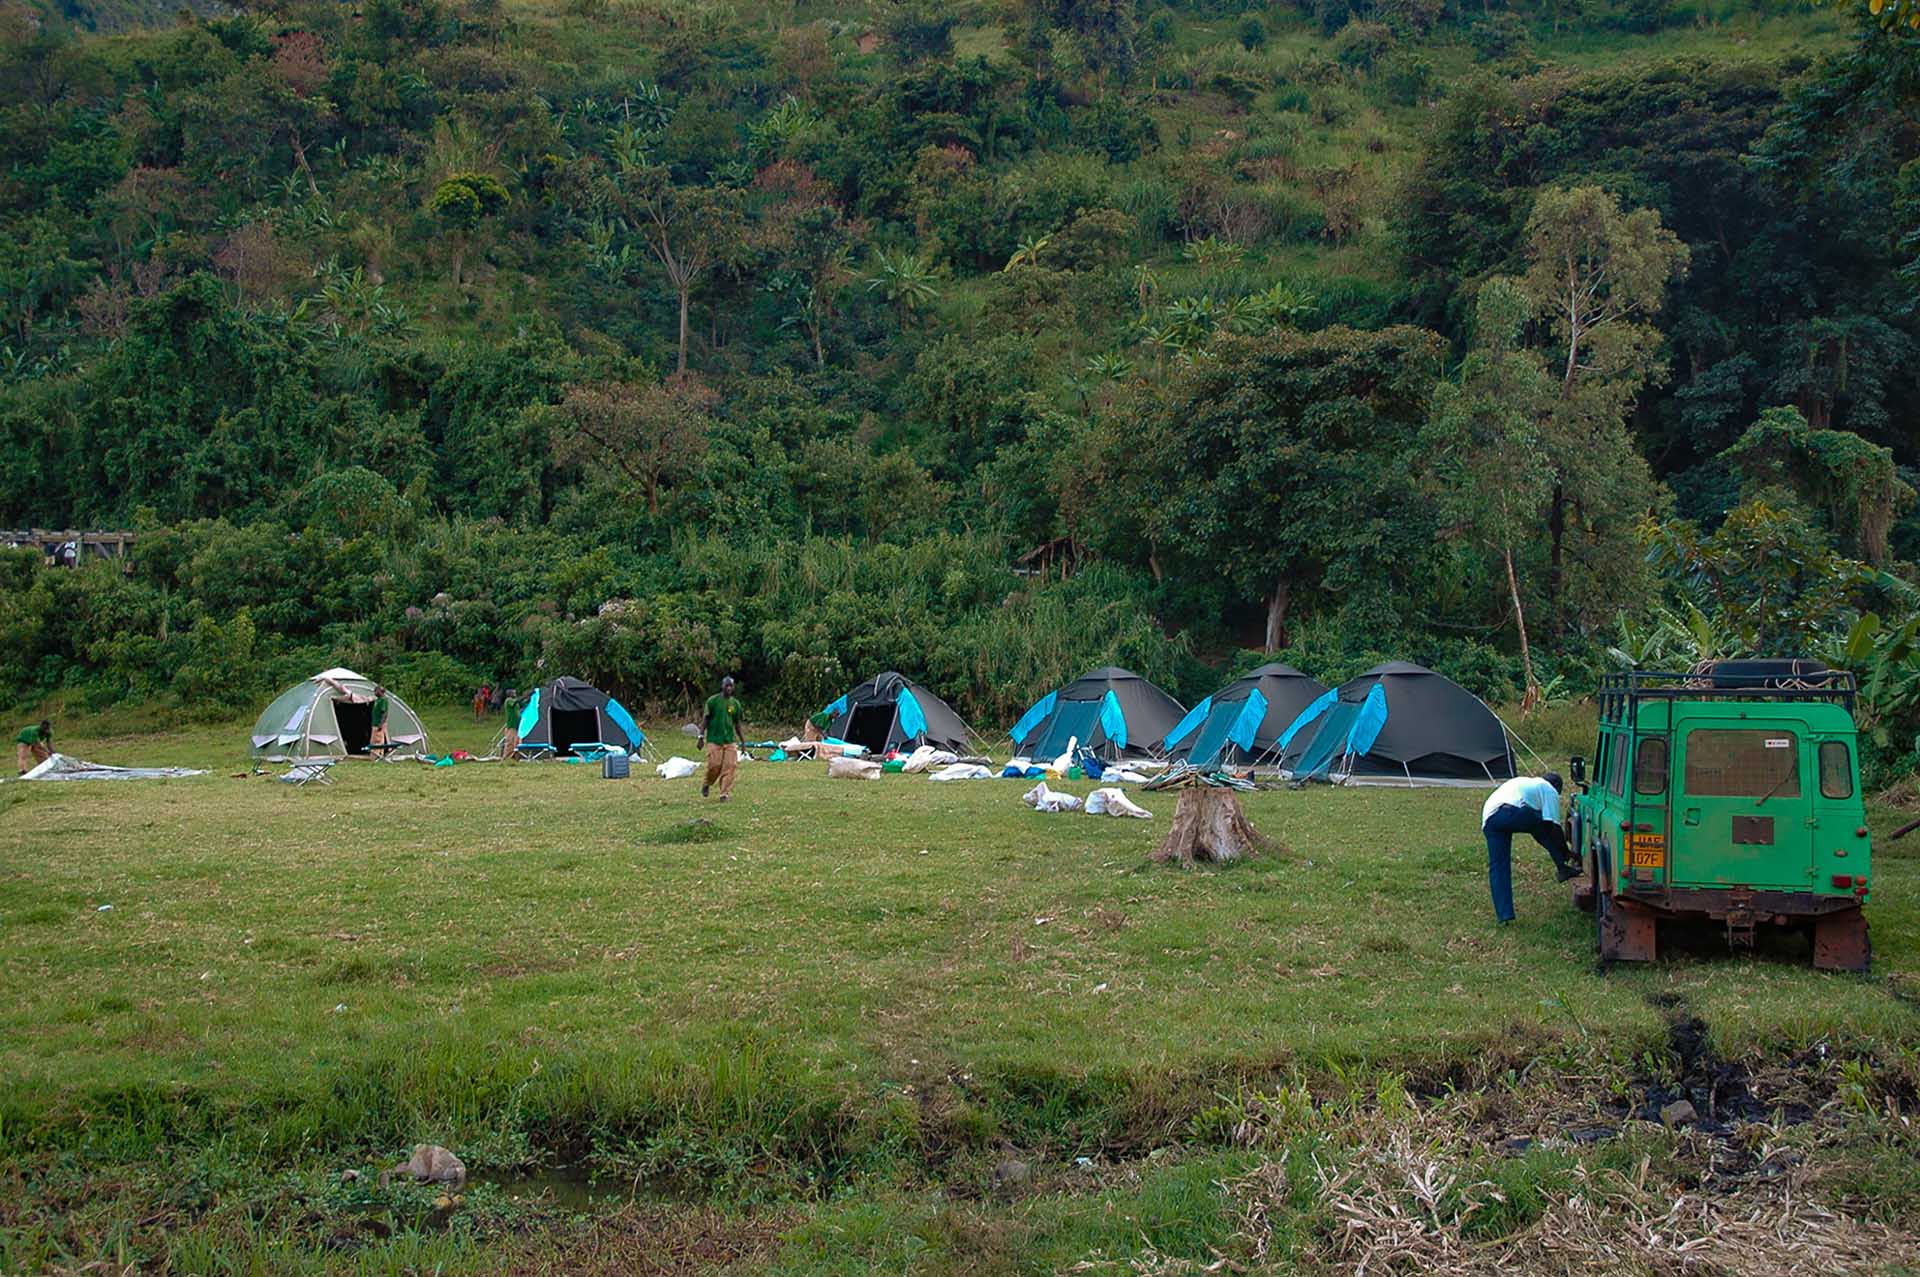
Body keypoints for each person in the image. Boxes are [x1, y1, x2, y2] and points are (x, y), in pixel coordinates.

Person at [1481, 772, 1581, 924]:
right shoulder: (1548, 789)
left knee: (1498, 867)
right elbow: (1553, 826)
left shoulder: (1526, 783)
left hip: (1490, 818)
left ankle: (1504, 915)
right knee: (1545, 828)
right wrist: (1566, 851)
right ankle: (1562, 868)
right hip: (1511, 810)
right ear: (1557, 787)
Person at [700, 676, 745, 801]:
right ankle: (707, 783)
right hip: (714, 739)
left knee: (730, 766)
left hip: (729, 740)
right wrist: (701, 736)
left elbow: (737, 724)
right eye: (727, 686)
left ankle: (724, 793)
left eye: (731, 686)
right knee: (715, 765)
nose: (729, 688)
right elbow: (706, 719)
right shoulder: (713, 701)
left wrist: (742, 741)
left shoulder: (735, 704)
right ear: (722, 686)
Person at [369, 685, 391, 752]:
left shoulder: (383, 700)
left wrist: (381, 724)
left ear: (380, 691)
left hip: (378, 724)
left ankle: (378, 755)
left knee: (378, 741)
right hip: (375, 724)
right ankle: (374, 755)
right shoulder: (378, 700)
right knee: (374, 741)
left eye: (376, 690)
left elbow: (384, 713)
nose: (374, 692)